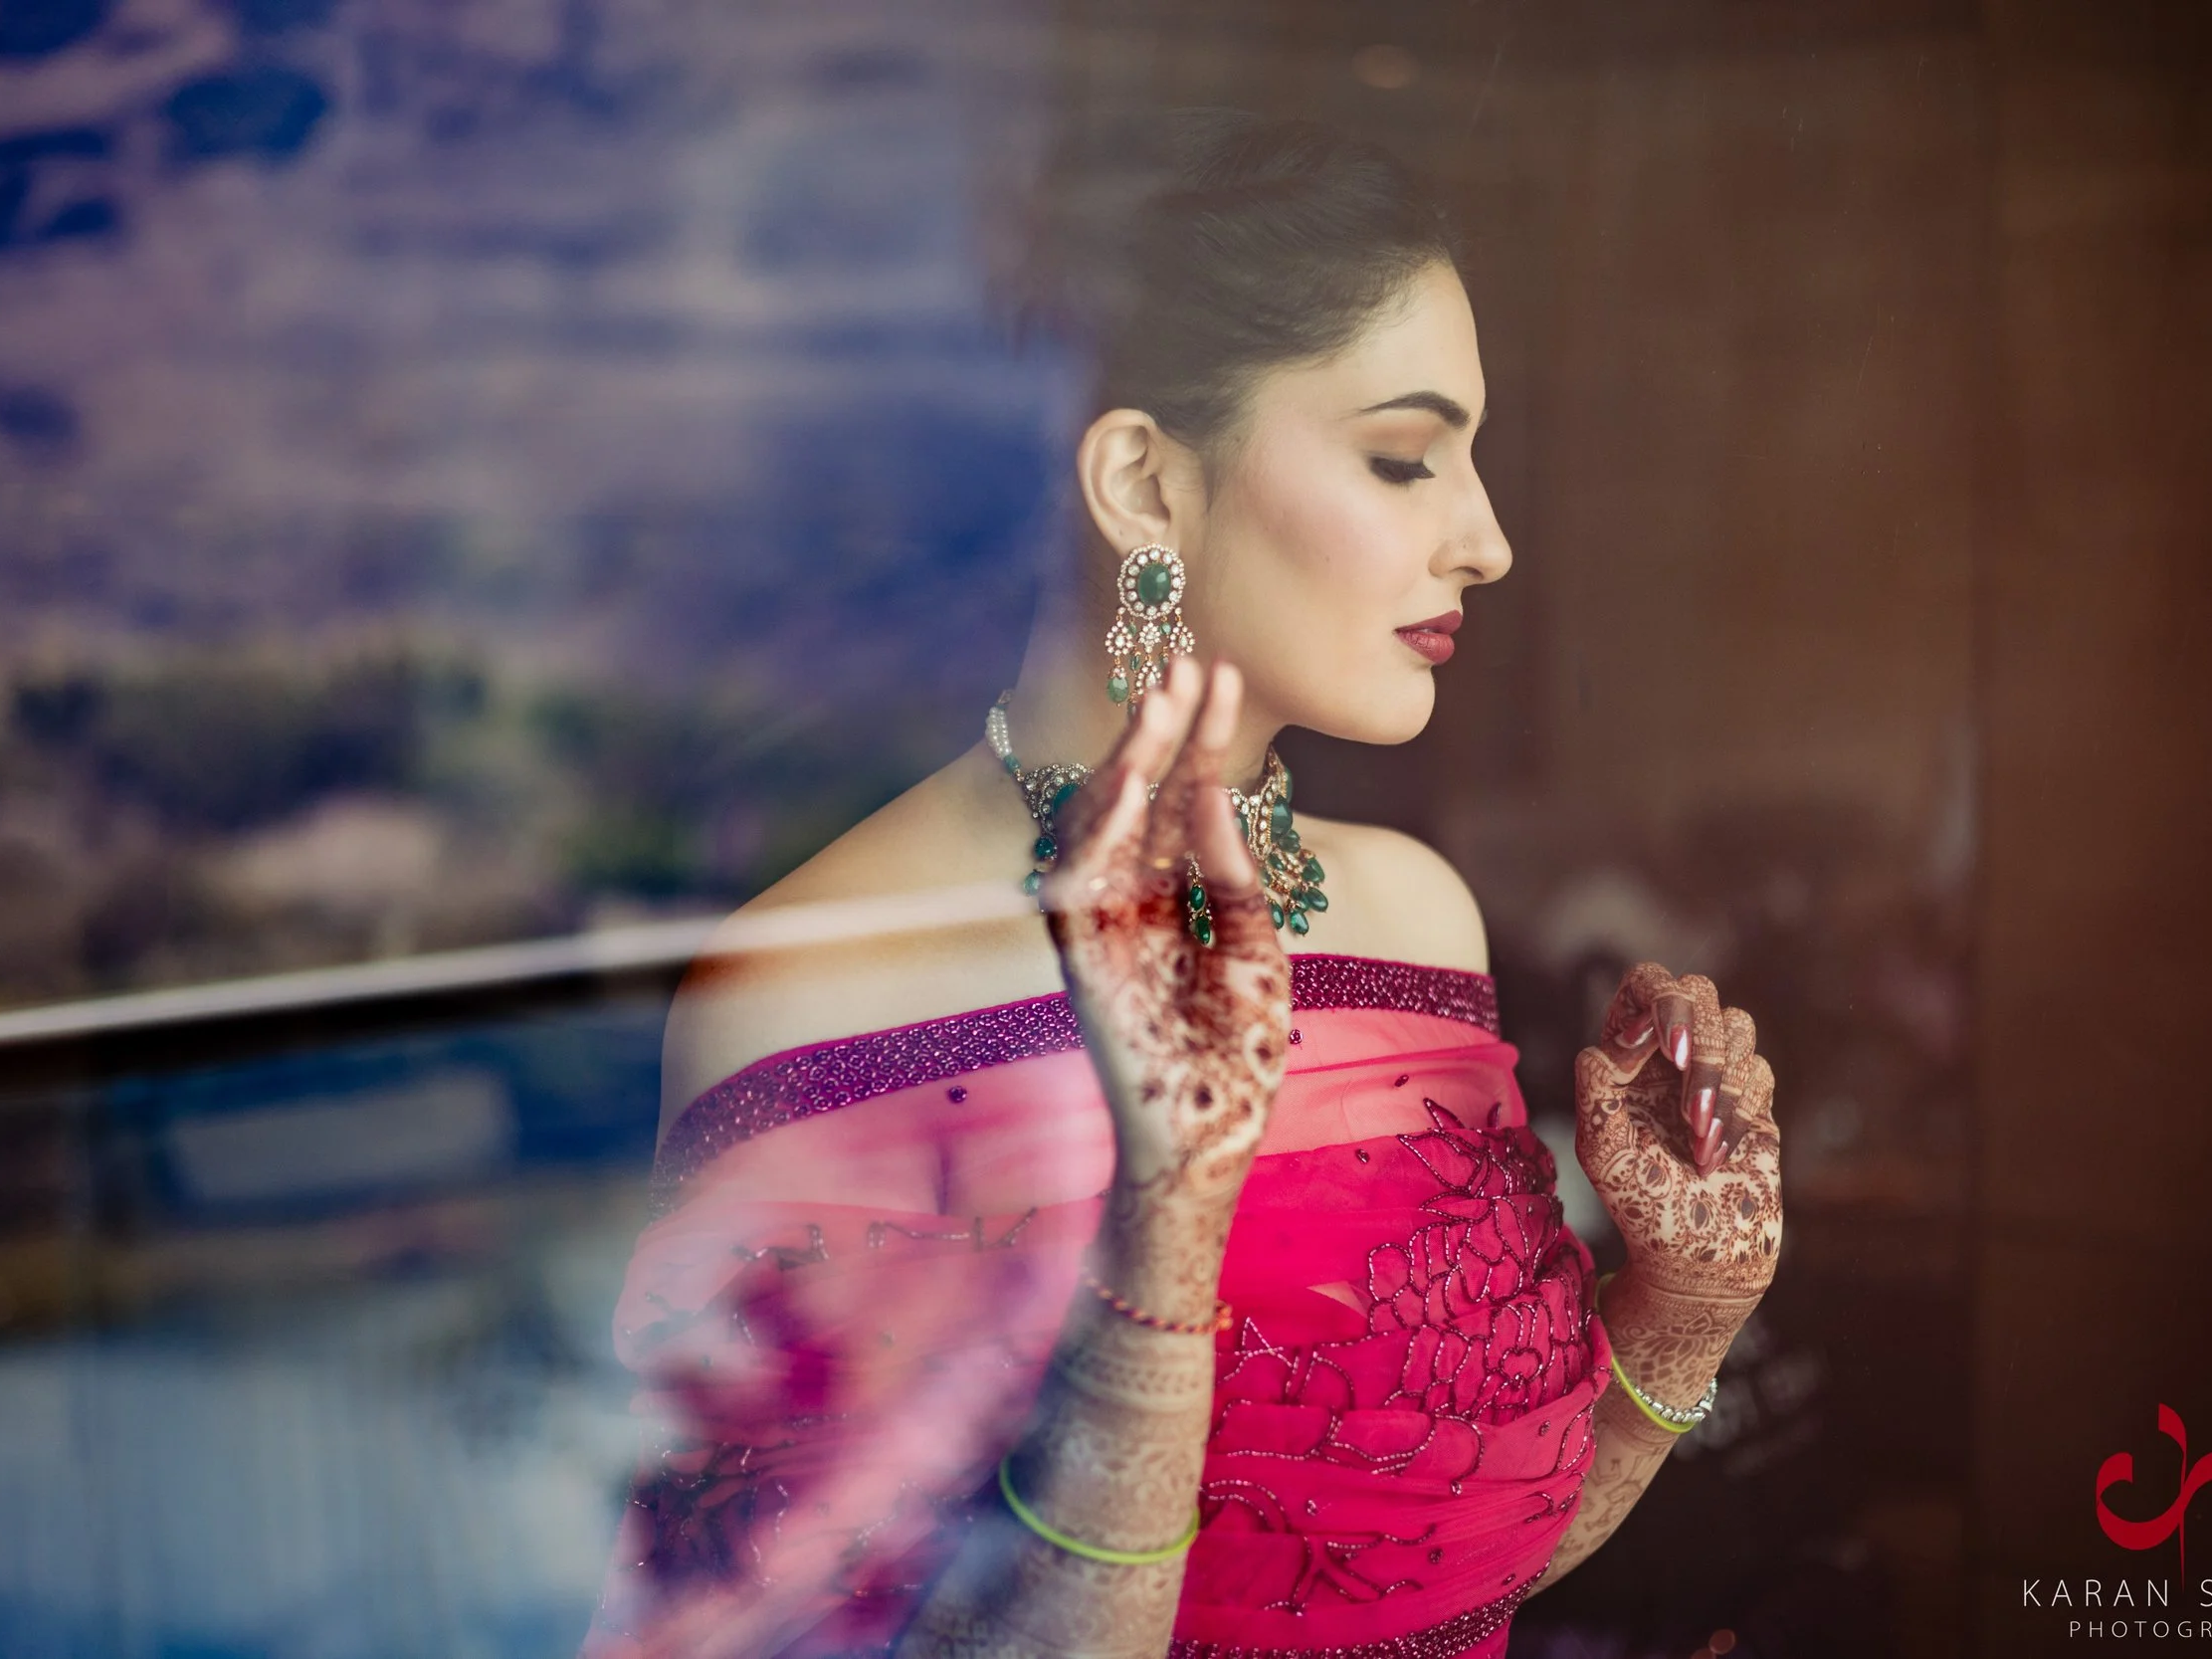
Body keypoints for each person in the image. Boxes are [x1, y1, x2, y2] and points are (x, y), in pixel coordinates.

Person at [582, 109, 1782, 1659]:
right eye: (1405, 457)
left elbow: (1429, 1570)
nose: (1483, 538)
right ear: (1145, 485)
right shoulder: (826, 979)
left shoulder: (1410, 919)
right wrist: (1166, 1228)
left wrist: (1684, 1302)